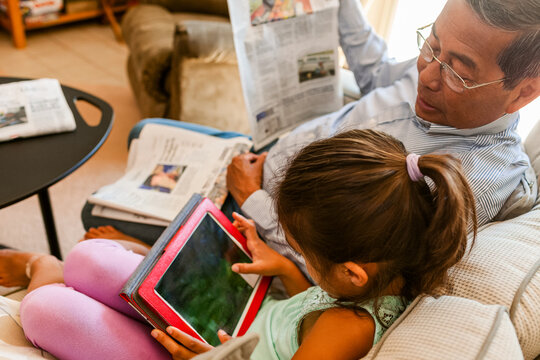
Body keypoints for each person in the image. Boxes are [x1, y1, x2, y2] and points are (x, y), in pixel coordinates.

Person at [82, 0, 539, 277]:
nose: (426, 75)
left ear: (524, 91)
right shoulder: (431, 74)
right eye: (431, 44)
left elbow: (340, 266)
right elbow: (378, 72)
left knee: (92, 210)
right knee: (143, 131)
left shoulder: (474, 177)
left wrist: (252, 197)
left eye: (458, 70)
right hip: (259, 159)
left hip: (257, 215)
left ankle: (149, 252)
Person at [2, 129, 476, 359]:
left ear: (352, 271)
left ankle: (40, 268)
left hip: (207, 353)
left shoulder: (348, 330)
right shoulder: (372, 281)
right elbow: (308, 312)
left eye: (302, 250)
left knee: (45, 308)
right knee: (85, 258)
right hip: (242, 319)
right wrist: (287, 271)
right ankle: (94, 266)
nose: (297, 253)